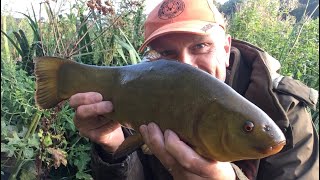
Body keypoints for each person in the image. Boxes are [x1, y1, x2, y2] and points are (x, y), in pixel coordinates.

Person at [69, 0, 319, 179]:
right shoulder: (141, 97)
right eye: (167, 53)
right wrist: (113, 145)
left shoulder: (285, 111)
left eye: (200, 46)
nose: (187, 65)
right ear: (153, 60)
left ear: (225, 48)